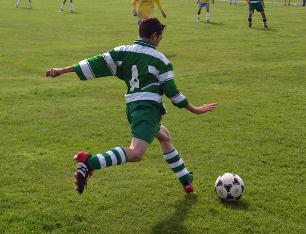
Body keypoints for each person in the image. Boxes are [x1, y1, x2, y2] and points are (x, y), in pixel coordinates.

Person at [45, 17, 217, 195]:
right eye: (160, 37)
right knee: (136, 153)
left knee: (164, 136)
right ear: (155, 35)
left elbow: (94, 62)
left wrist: (63, 70)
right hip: (147, 110)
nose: (160, 40)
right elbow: (173, 93)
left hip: (133, 108)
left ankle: (185, 179)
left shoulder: (123, 51)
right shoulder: (160, 60)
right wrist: (196, 109)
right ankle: (89, 162)